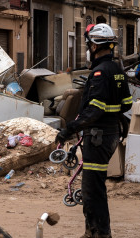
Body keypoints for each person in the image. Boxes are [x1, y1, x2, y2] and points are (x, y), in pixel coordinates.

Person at [55, 23, 132, 238]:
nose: (88, 48)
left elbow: (93, 110)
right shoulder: (117, 69)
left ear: (96, 46)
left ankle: (99, 234)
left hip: (98, 137)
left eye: (89, 44)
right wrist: (114, 116)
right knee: (94, 188)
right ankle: (92, 232)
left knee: (93, 190)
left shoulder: (99, 73)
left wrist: (68, 130)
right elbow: (126, 103)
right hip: (109, 135)